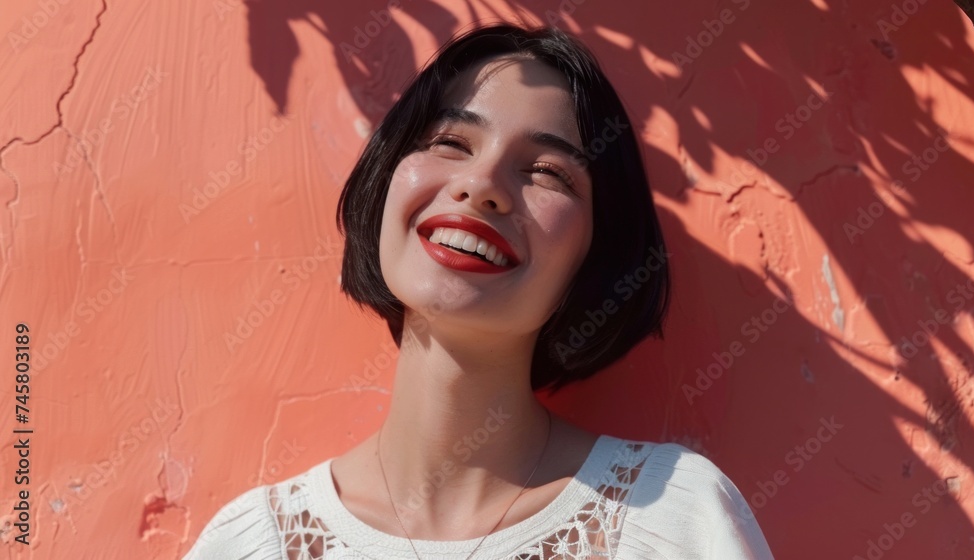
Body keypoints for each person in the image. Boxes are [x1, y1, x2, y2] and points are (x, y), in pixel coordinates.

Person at [184, 23, 774, 559]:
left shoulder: (672, 518)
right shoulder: (250, 543)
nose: (482, 185)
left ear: (595, 254)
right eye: (450, 143)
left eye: (546, 172)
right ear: (386, 178)